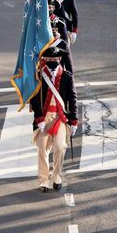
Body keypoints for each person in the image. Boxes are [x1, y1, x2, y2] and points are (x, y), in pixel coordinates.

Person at [32, 45, 78, 192]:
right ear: (45, 60)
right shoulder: (39, 76)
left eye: (55, 59)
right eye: (49, 59)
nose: (53, 61)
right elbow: (34, 98)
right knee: (42, 149)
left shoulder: (66, 76)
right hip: (43, 118)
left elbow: (73, 98)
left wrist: (74, 119)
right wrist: (38, 118)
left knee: (60, 147)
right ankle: (43, 180)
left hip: (60, 117)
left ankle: (57, 176)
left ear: (59, 59)